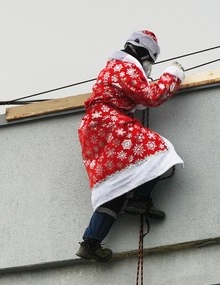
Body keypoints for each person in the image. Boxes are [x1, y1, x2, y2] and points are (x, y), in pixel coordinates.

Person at [76, 30, 185, 262]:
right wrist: (173, 75)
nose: (149, 66)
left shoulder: (112, 67)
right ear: (143, 52)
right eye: (149, 61)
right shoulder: (125, 66)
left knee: (115, 187)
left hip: (95, 130)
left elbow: (132, 95)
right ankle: (139, 200)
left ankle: (91, 242)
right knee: (161, 151)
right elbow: (151, 97)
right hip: (110, 124)